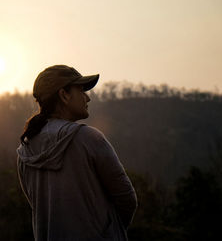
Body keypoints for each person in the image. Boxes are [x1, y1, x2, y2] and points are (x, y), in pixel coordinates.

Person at [16, 65, 138, 241]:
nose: (87, 98)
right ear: (64, 95)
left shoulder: (24, 151)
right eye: (81, 90)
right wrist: (111, 232)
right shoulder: (88, 139)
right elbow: (127, 198)